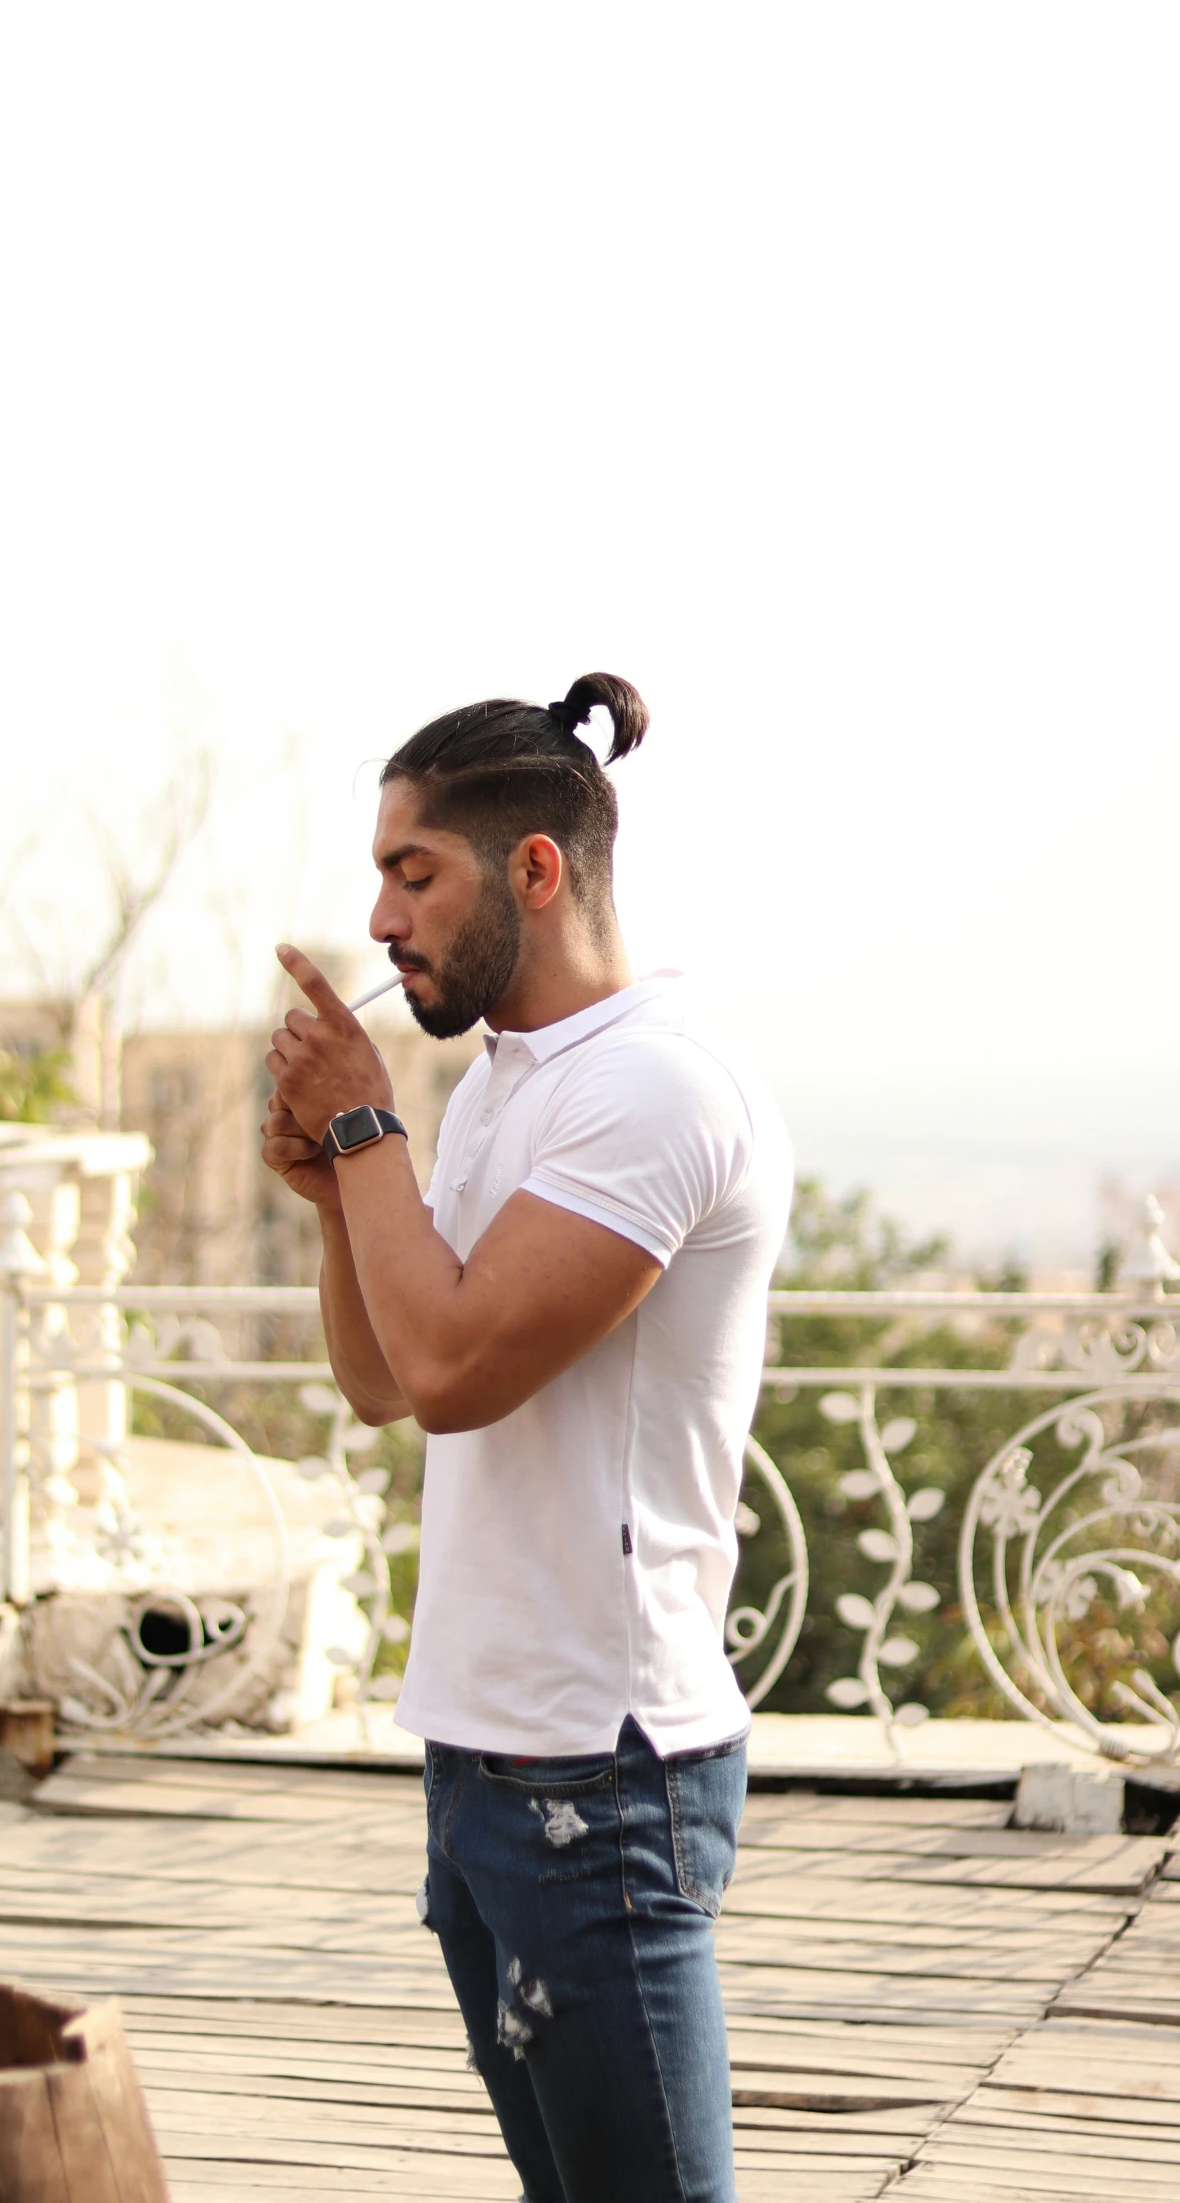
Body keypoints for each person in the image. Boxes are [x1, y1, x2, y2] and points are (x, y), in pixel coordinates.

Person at [261, 673, 792, 2203]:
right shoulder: (504, 1079)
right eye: (378, 873)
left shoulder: (655, 1089)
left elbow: (455, 1371)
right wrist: (328, 1189)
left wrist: (366, 1132)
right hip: (479, 1745)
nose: (377, 916)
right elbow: (378, 1376)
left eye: (410, 870)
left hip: (604, 1765)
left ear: (535, 868)